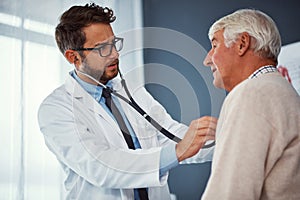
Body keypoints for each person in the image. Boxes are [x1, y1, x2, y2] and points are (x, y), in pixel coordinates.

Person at [38, 3, 217, 200]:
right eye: (102, 48)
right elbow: (101, 166)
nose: (115, 54)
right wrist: (176, 152)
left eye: (114, 44)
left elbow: (168, 134)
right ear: (74, 57)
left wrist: (226, 141)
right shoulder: (56, 109)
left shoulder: (132, 91)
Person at [201, 8, 300, 200]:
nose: (207, 60)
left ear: (242, 44)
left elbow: (229, 194)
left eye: (214, 45)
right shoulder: (284, 92)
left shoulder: (251, 94)